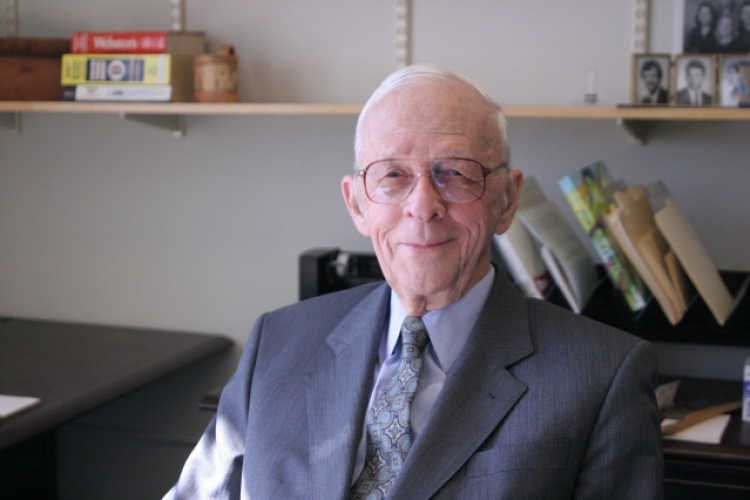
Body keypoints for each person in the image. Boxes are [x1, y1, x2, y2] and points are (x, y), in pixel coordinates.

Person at [163, 64, 663, 499]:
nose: (423, 205)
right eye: (393, 175)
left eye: (455, 172)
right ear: (357, 203)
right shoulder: (276, 345)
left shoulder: (604, 376)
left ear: (507, 200)